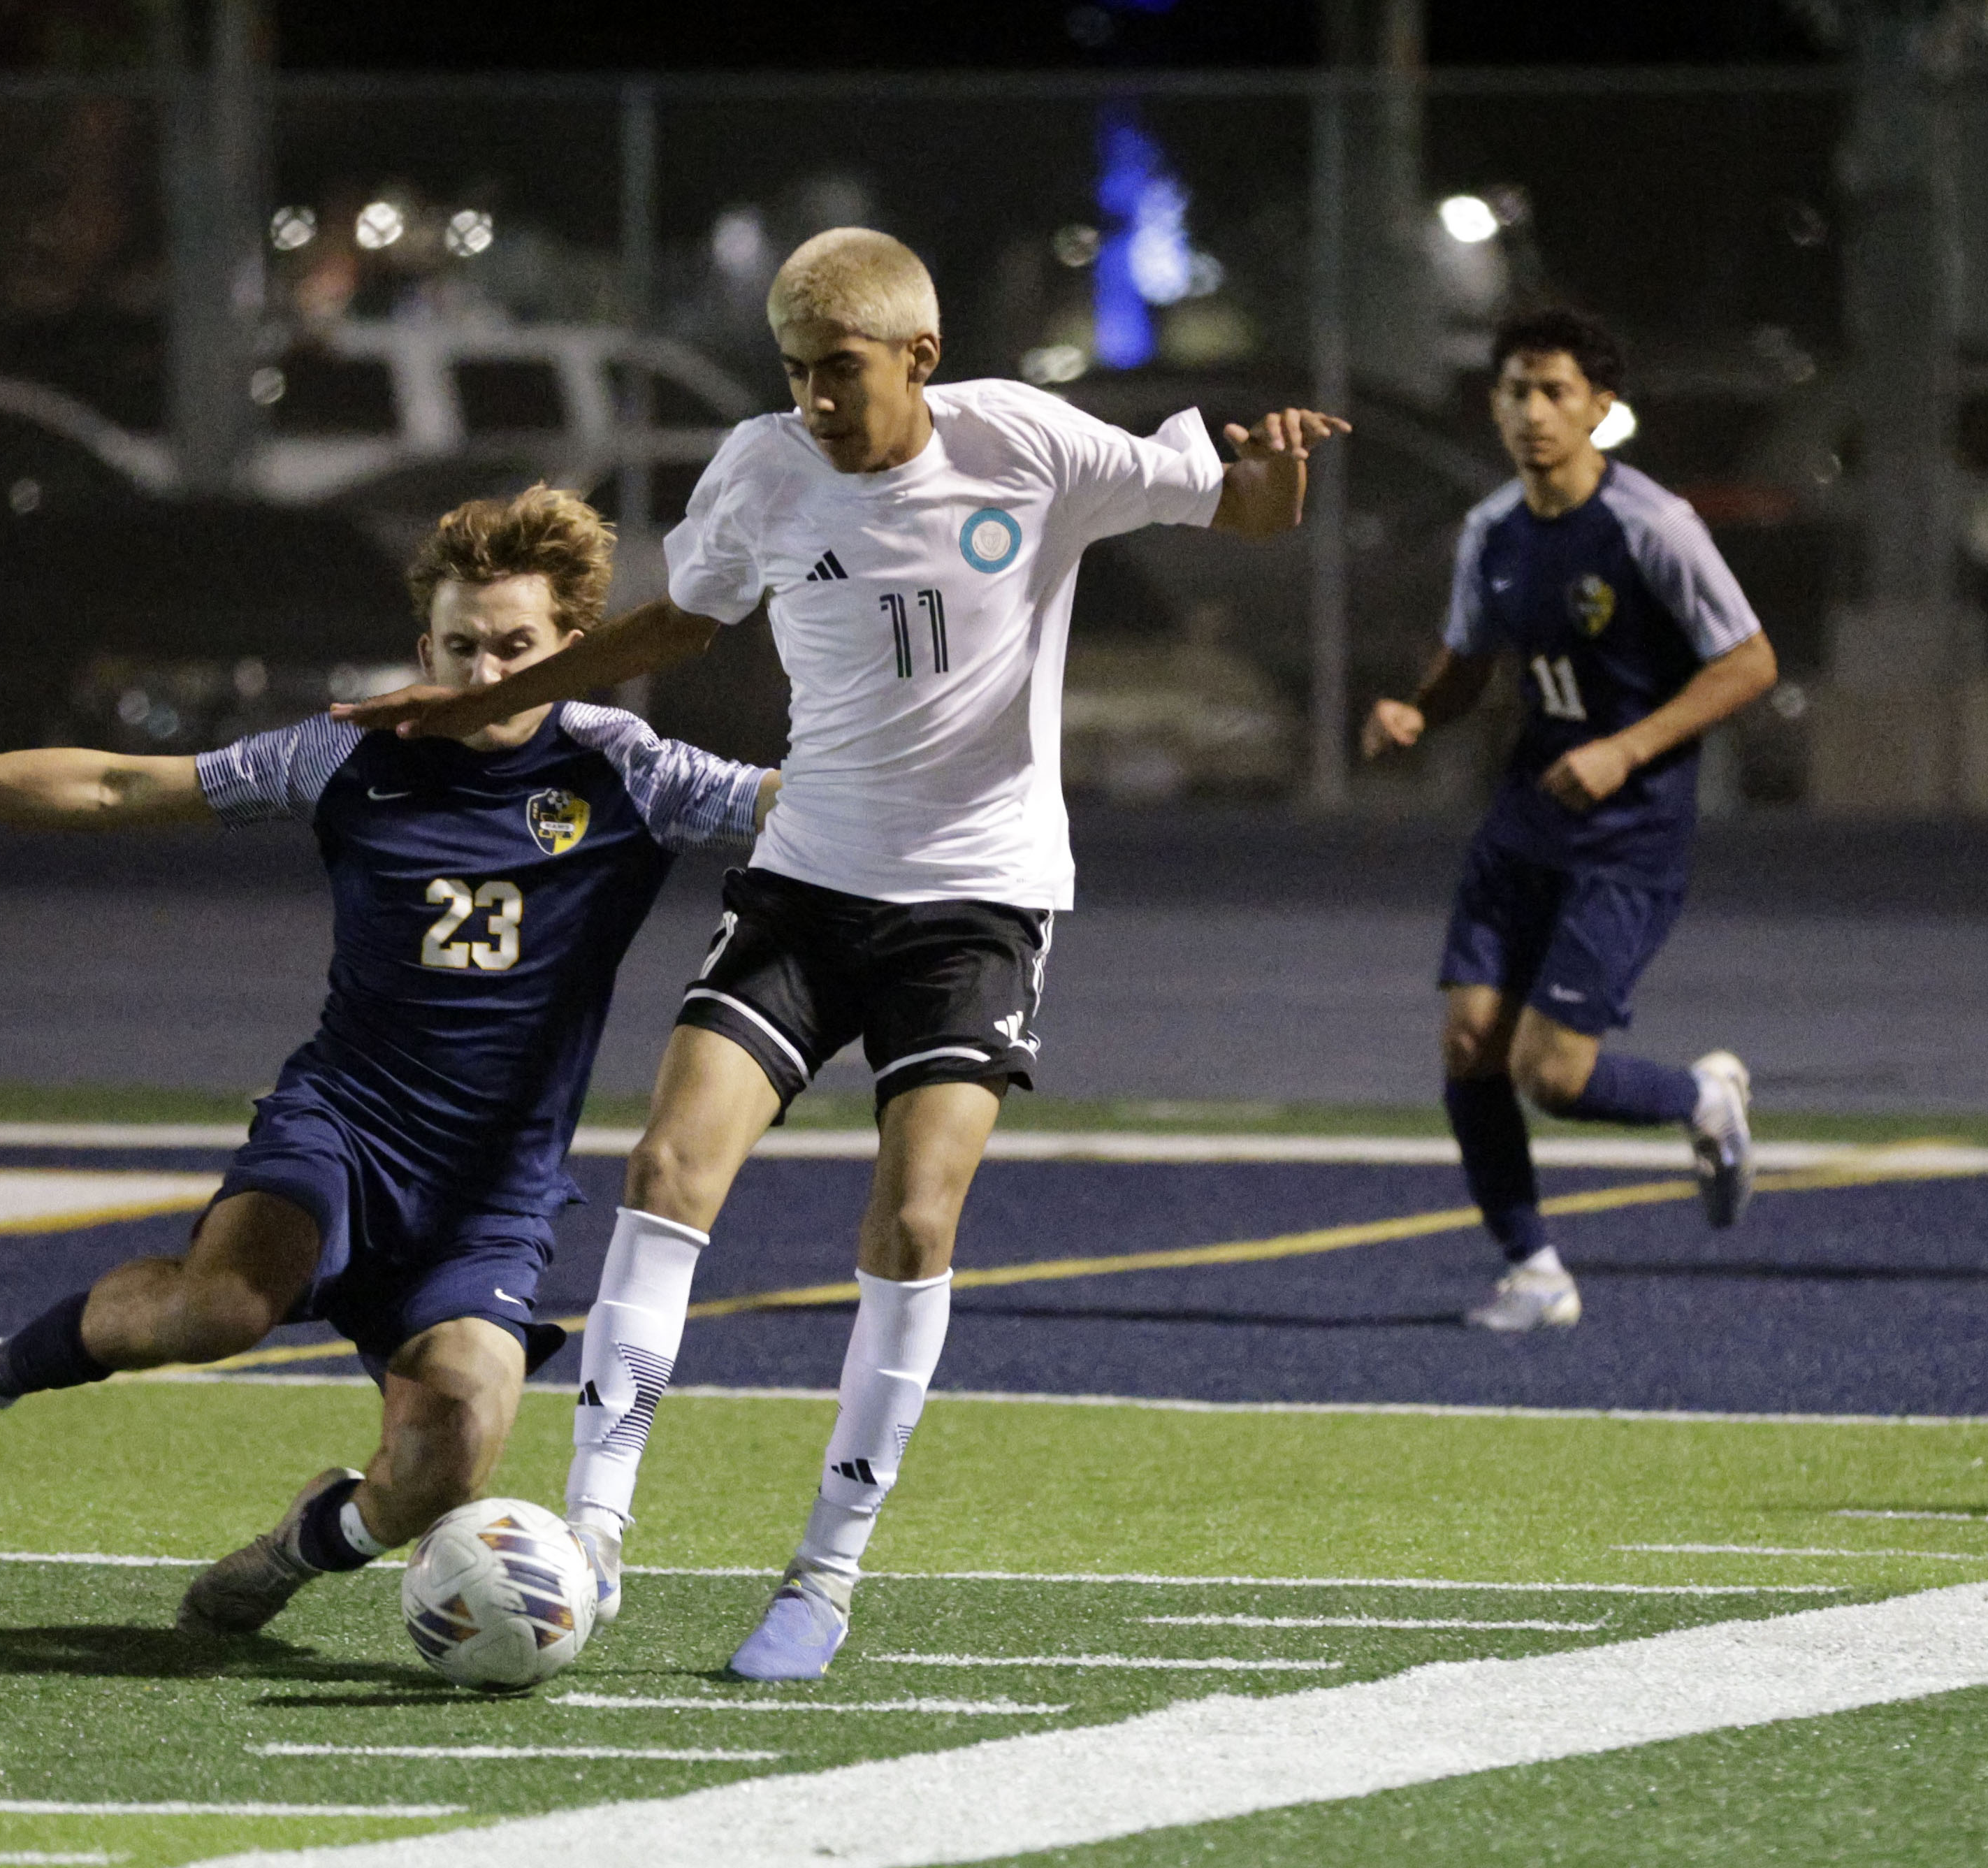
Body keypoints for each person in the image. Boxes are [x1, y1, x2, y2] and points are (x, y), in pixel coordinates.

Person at [337, 228, 1345, 1678]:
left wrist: (1279, 471)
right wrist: (492, 705)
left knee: (915, 1222)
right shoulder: (761, 467)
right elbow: (678, 622)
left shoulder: (1029, 445)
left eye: (841, 373)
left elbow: (1238, 508)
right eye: (797, 372)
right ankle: (598, 1532)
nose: (815, 399)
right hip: (807, 882)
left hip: (978, 904)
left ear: (921, 358)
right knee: (668, 1169)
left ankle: (822, 1575)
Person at [0, 485, 775, 1637]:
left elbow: (791, 805)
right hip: (344, 1127)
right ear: (421, 647)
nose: (487, 671)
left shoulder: (629, 770)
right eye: (462, 644)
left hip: (493, 1195)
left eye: (517, 647)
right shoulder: (348, 754)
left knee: (454, 1452)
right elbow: (121, 783)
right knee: (222, 1307)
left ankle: (302, 1544)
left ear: (571, 651)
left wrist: (958, 790)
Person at [1361, 307, 1777, 1333]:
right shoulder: (1492, 530)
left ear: (1601, 406)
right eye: (1516, 391)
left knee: (1553, 1074)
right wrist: (1419, 706)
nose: (1534, 412)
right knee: (1470, 1043)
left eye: (1556, 392)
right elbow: (1468, 666)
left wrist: (1627, 747)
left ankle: (1701, 1099)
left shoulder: (1653, 526)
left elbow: (1751, 664)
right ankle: (1535, 1268)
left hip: (1629, 837)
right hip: (1524, 818)